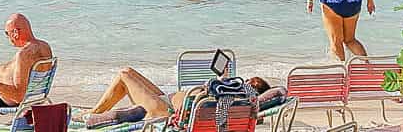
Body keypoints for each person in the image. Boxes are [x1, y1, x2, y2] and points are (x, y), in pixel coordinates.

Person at [83, 69, 276, 125]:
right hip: (165, 101)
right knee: (128, 72)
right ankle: (102, 112)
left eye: (250, 82)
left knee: (124, 76)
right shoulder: (230, 99)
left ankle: (92, 115)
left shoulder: (230, 101)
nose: (245, 81)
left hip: (165, 112)